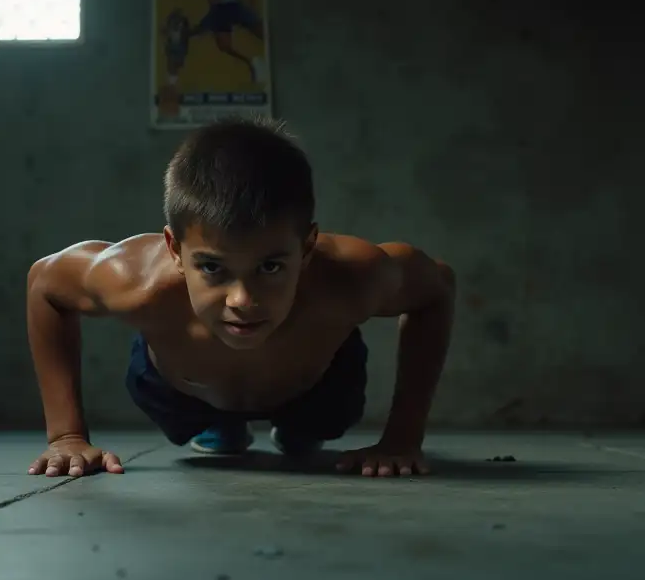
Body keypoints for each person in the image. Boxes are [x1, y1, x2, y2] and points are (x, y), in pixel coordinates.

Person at [25, 118, 456, 479]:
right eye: (212, 267)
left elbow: (436, 287)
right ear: (175, 250)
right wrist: (67, 436)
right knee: (194, 412)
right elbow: (45, 285)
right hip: (183, 394)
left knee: (315, 426)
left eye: (270, 267)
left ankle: (297, 428)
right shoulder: (133, 281)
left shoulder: (352, 276)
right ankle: (220, 426)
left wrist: (403, 437)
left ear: (306, 248)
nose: (243, 299)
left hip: (316, 390)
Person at [165, 0, 268, 83]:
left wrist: (253, 4)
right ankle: (251, 62)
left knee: (261, 32)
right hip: (218, 11)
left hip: (234, 6)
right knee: (224, 46)